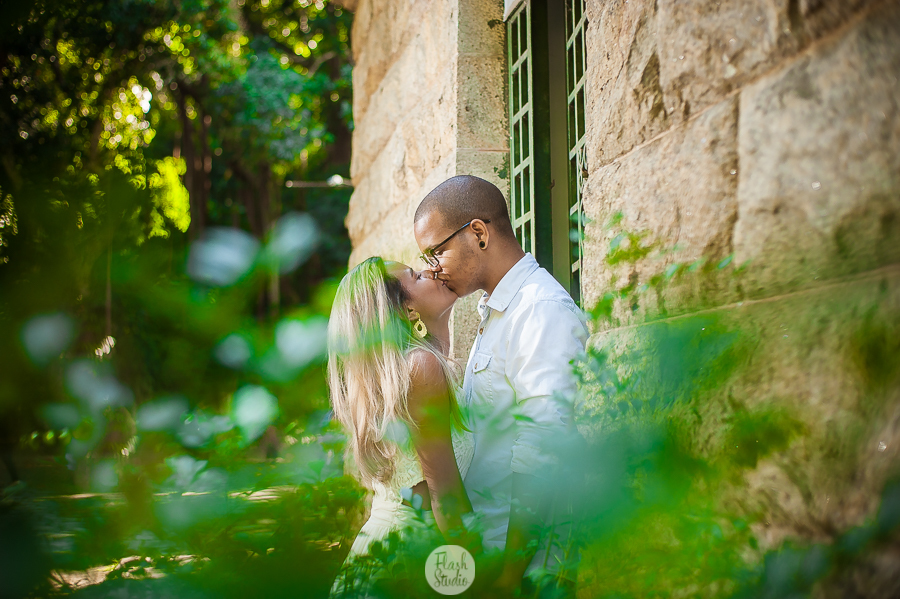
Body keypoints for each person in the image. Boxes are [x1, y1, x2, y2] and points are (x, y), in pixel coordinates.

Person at [414, 175, 589, 598]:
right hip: (489, 555)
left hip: (527, 569)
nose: (433, 268)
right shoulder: (496, 312)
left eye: (437, 251)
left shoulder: (539, 310)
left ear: (478, 233)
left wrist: (511, 575)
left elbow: (543, 449)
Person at [327, 256, 478, 596]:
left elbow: (438, 347)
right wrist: (485, 579)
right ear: (406, 312)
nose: (430, 270)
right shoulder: (421, 369)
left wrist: (441, 307)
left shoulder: (414, 367)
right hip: (406, 562)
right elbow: (446, 497)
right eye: (415, 275)